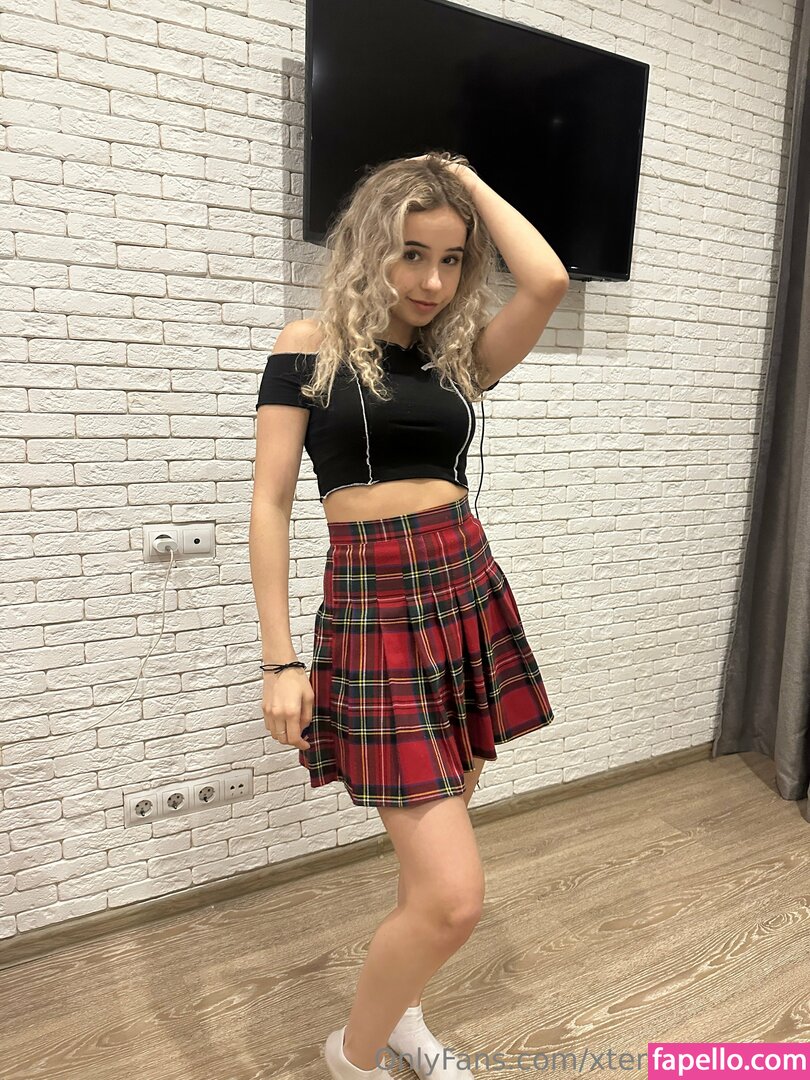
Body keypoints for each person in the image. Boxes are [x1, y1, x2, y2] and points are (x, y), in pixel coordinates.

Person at [250, 151, 568, 1080]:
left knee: (433, 874)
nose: (432, 281)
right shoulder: (307, 346)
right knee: (453, 899)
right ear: (368, 249)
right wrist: (280, 661)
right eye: (411, 254)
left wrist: (466, 180)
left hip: (465, 591)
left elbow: (547, 279)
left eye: (451, 259)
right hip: (375, 610)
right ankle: (351, 1058)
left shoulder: (454, 360)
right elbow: (271, 501)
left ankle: (403, 1020)